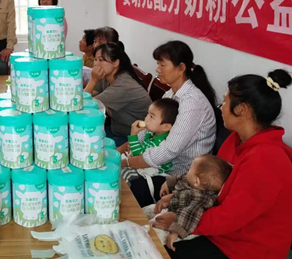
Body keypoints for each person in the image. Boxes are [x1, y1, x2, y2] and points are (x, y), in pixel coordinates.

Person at [155, 70, 292, 259]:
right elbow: (213, 187)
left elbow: (230, 217)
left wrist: (181, 221)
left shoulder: (266, 160)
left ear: (242, 110)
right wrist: (179, 197)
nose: (221, 108)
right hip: (223, 232)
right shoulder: (237, 139)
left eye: (225, 102)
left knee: (157, 250)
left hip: (244, 249)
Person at [124, 41, 217, 207]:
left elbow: (169, 150)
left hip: (179, 175)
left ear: (181, 68)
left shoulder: (192, 103)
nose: (157, 69)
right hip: (161, 164)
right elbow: (150, 130)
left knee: (127, 188)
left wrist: (128, 162)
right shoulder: (171, 94)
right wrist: (122, 151)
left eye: (162, 65)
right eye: (157, 64)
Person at [148, 155, 232, 251]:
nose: (188, 170)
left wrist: (175, 232)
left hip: (183, 225)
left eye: (190, 169)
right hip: (173, 210)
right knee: (148, 211)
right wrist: (168, 183)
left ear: (197, 181)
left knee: (155, 235)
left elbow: (188, 214)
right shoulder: (197, 183)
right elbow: (183, 178)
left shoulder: (201, 199)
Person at [84, 42, 151, 145]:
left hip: (132, 137)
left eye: (101, 60)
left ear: (115, 63)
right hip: (116, 128)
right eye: (95, 60)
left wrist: (93, 79)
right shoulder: (107, 75)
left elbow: (85, 104)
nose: (96, 64)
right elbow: (88, 95)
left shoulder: (123, 86)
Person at [120, 98, 179, 195]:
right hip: (143, 167)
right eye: (148, 114)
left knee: (124, 174)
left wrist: (133, 135)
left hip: (154, 174)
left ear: (165, 127)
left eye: (151, 117)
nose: (146, 118)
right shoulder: (151, 134)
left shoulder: (161, 143)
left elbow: (138, 157)